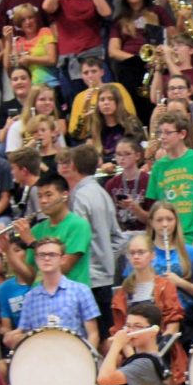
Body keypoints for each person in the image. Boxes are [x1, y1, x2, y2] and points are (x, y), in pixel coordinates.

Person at [58, 145, 126, 339]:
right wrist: (106, 257)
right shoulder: (103, 193)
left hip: (87, 279)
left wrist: (94, 259)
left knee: (93, 336)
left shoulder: (79, 197)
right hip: (103, 276)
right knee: (106, 334)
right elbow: (118, 238)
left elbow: (79, 237)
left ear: (73, 165)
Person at [112, 233, 186, 385]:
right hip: (132, 355)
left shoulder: (165, 286)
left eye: (141, 252)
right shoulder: (122, 293)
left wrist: (155, 358)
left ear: (152, 255)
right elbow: (119, 331)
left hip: (163, 353)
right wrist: (135, 361)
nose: (136, 256)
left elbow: (172, 326)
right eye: (132, 253)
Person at [0, 173, 92, 287]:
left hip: (70, 298)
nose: (43, 201)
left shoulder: (79, 225)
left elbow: (63, 269)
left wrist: (32, 243)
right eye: (40, 196)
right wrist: (8, 250)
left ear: (65, 196)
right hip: (42, 299)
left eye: (48, 195)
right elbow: (31, 278)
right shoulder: (37, 229)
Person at [9, 237, 100, 350]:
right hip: (41, 358)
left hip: (75, 355)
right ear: (36, 259)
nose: (46, 258)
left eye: (52, 255)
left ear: (63, 259)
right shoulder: (30, 297)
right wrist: (12, 336)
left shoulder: (81, 290)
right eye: (42, 255)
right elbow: (22, 332)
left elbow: (93, 334)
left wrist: (88, 359)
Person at [42, 0, 112, 106]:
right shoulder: (60, 3)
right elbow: (46, 6)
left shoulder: (92, 0)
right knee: (76, 103)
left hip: (93, 58)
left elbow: (106, 12)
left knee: (102, 98)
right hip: (69, 61)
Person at [145, 112, 193, 252]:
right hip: (167, 237)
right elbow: (154, 207)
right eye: (160, 132)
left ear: (182, 134)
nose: (163, 137)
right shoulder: (158, 166)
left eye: (167, 132)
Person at [142, 202, 193, 341]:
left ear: (176, 221)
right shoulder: (143, 253)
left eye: (169, 219)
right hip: (153, 319)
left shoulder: (190, 252)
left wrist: (180, 282)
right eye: (159, 220)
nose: (165, 224)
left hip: (186, 319)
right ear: (151, 222)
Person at [108, 0, 175, 123]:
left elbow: (173, 35)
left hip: (156, 63)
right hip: (131, 65)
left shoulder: (158, 11)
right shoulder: (120, 19)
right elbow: (113, 50)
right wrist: (138, 59)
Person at [68, 57, 137, 140]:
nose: (90, 75)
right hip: (93, 139)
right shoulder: (79, 98)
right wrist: (85, 109)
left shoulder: (117, 87)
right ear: (82, 76)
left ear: (102, 72)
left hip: (121, 134)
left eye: (94, 71)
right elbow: (74, 133)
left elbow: (131, 115)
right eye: (86, 73)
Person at [86, 84, 145, 168]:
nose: (106, 103)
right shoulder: (95, 125)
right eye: (102, 100)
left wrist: (104, 161)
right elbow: (89, 153)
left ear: (118, 102)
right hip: (103, 171)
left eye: (110, 99)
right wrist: (98, 162)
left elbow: (135, 151)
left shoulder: (131, 122)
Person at [105, 137, 151, 233]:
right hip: (120, 236)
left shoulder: (148, 181)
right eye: (118, 154)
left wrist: (134, 207)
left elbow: (153, 219)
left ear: (137, 156)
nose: (122, 158)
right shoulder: (111, 184)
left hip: (145, 234)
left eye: (127, 154)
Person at [7, 84, 67, 153]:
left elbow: (63, 155)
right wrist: (34, 142)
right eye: (42, 99)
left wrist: (55, 139)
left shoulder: (54, 125)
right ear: (33, 102)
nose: (48, 103)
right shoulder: (18, 126)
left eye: (51, 99)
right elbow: (12, 157)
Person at [7, 147, 42, 220]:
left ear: (24, 171)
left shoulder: (37, 191)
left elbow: (43, 221)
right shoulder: (30, 188)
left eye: (13, 168)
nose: (11, 172)